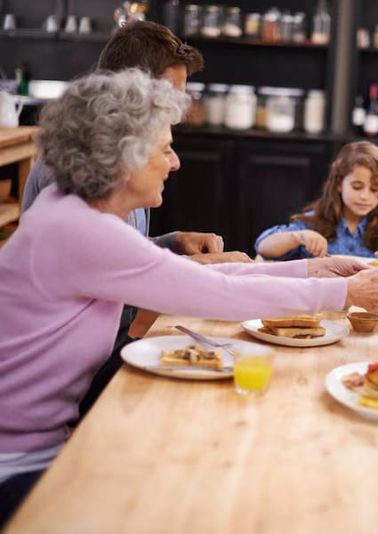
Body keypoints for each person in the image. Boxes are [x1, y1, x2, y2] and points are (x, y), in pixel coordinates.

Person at [0, 70, 378, 525]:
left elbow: (196, 277)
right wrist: (343, 291)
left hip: (44, 443)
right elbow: (215, 292)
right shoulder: (83, 230)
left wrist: (312, 268)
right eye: (165, 148)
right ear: (124, 156)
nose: (175, 162)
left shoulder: (71, 210)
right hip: (17, 463)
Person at [20, 21, 249, 418]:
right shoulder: (82, 166)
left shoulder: (126, 150)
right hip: (79, 367)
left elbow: (113, 257)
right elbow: (107, 272)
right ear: (130, 89)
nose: (176, 112)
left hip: (106, 343)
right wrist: (201, 269)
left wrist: (173, 242)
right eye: (168, 96)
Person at [255, 141, 378, 264]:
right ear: (339, 184)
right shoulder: (314, 222)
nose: (365, 196)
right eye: (357, 187)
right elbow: (264, 248)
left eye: (374, 190)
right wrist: (298, 237)